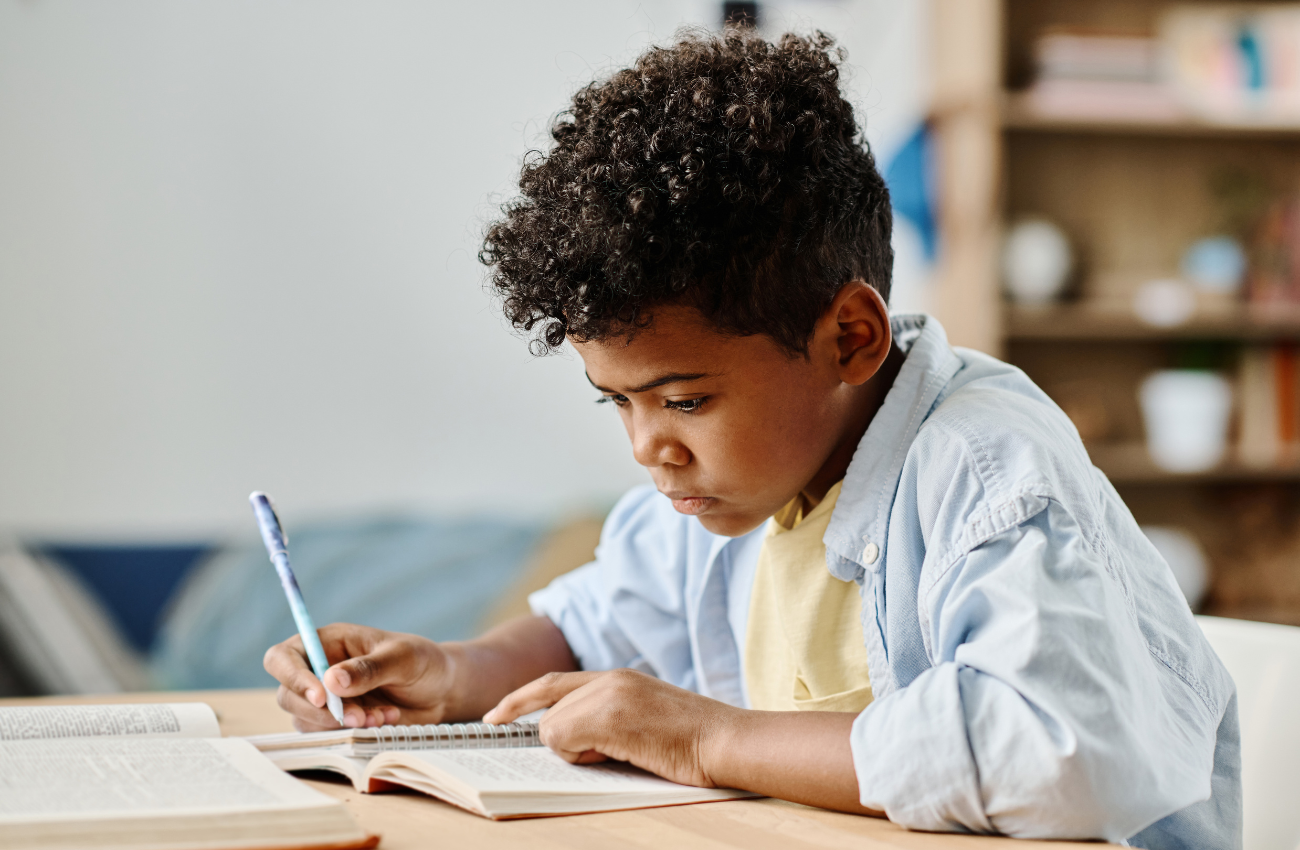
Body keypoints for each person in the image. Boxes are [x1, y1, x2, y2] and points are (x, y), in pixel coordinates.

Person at [264, 28, 1240, 847]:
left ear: (848, 337)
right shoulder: (738, 482)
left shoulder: (985, 470)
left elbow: (1057, 749)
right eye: (618, 403)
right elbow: (602, 618)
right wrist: (452, 673)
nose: (650, 447)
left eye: (683, 399)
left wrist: (707, 739)